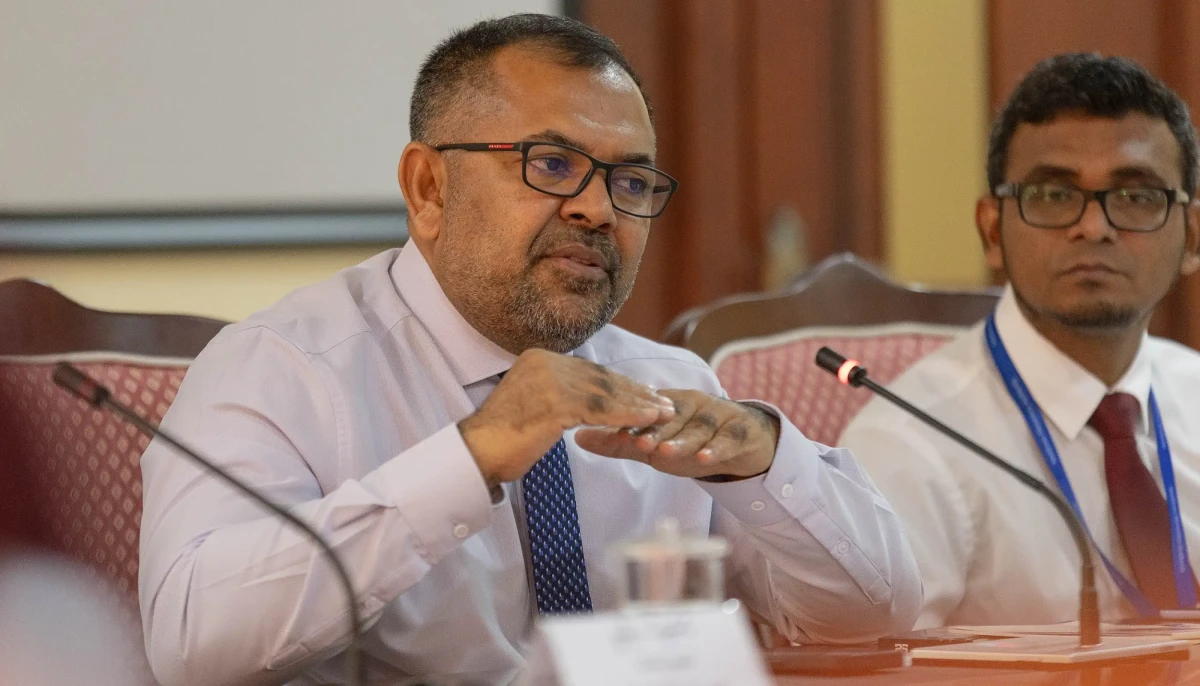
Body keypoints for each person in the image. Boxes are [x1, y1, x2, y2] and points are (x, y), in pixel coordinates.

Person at [138, 13, 921, 685]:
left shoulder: (666, 384)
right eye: (552, 166)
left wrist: (764, 464)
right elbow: (192, 645)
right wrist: (470, 458)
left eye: (631, 182)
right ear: (429, 188)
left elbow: (876, 614)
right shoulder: (285, 369)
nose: (597, 210)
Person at [839, 53, 1200, 629]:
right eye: (1054, 196)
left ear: (1192, 238)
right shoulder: (912, 444)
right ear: (991, 231)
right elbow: (889, 665)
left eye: (1136, 197)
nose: (1094, 227)